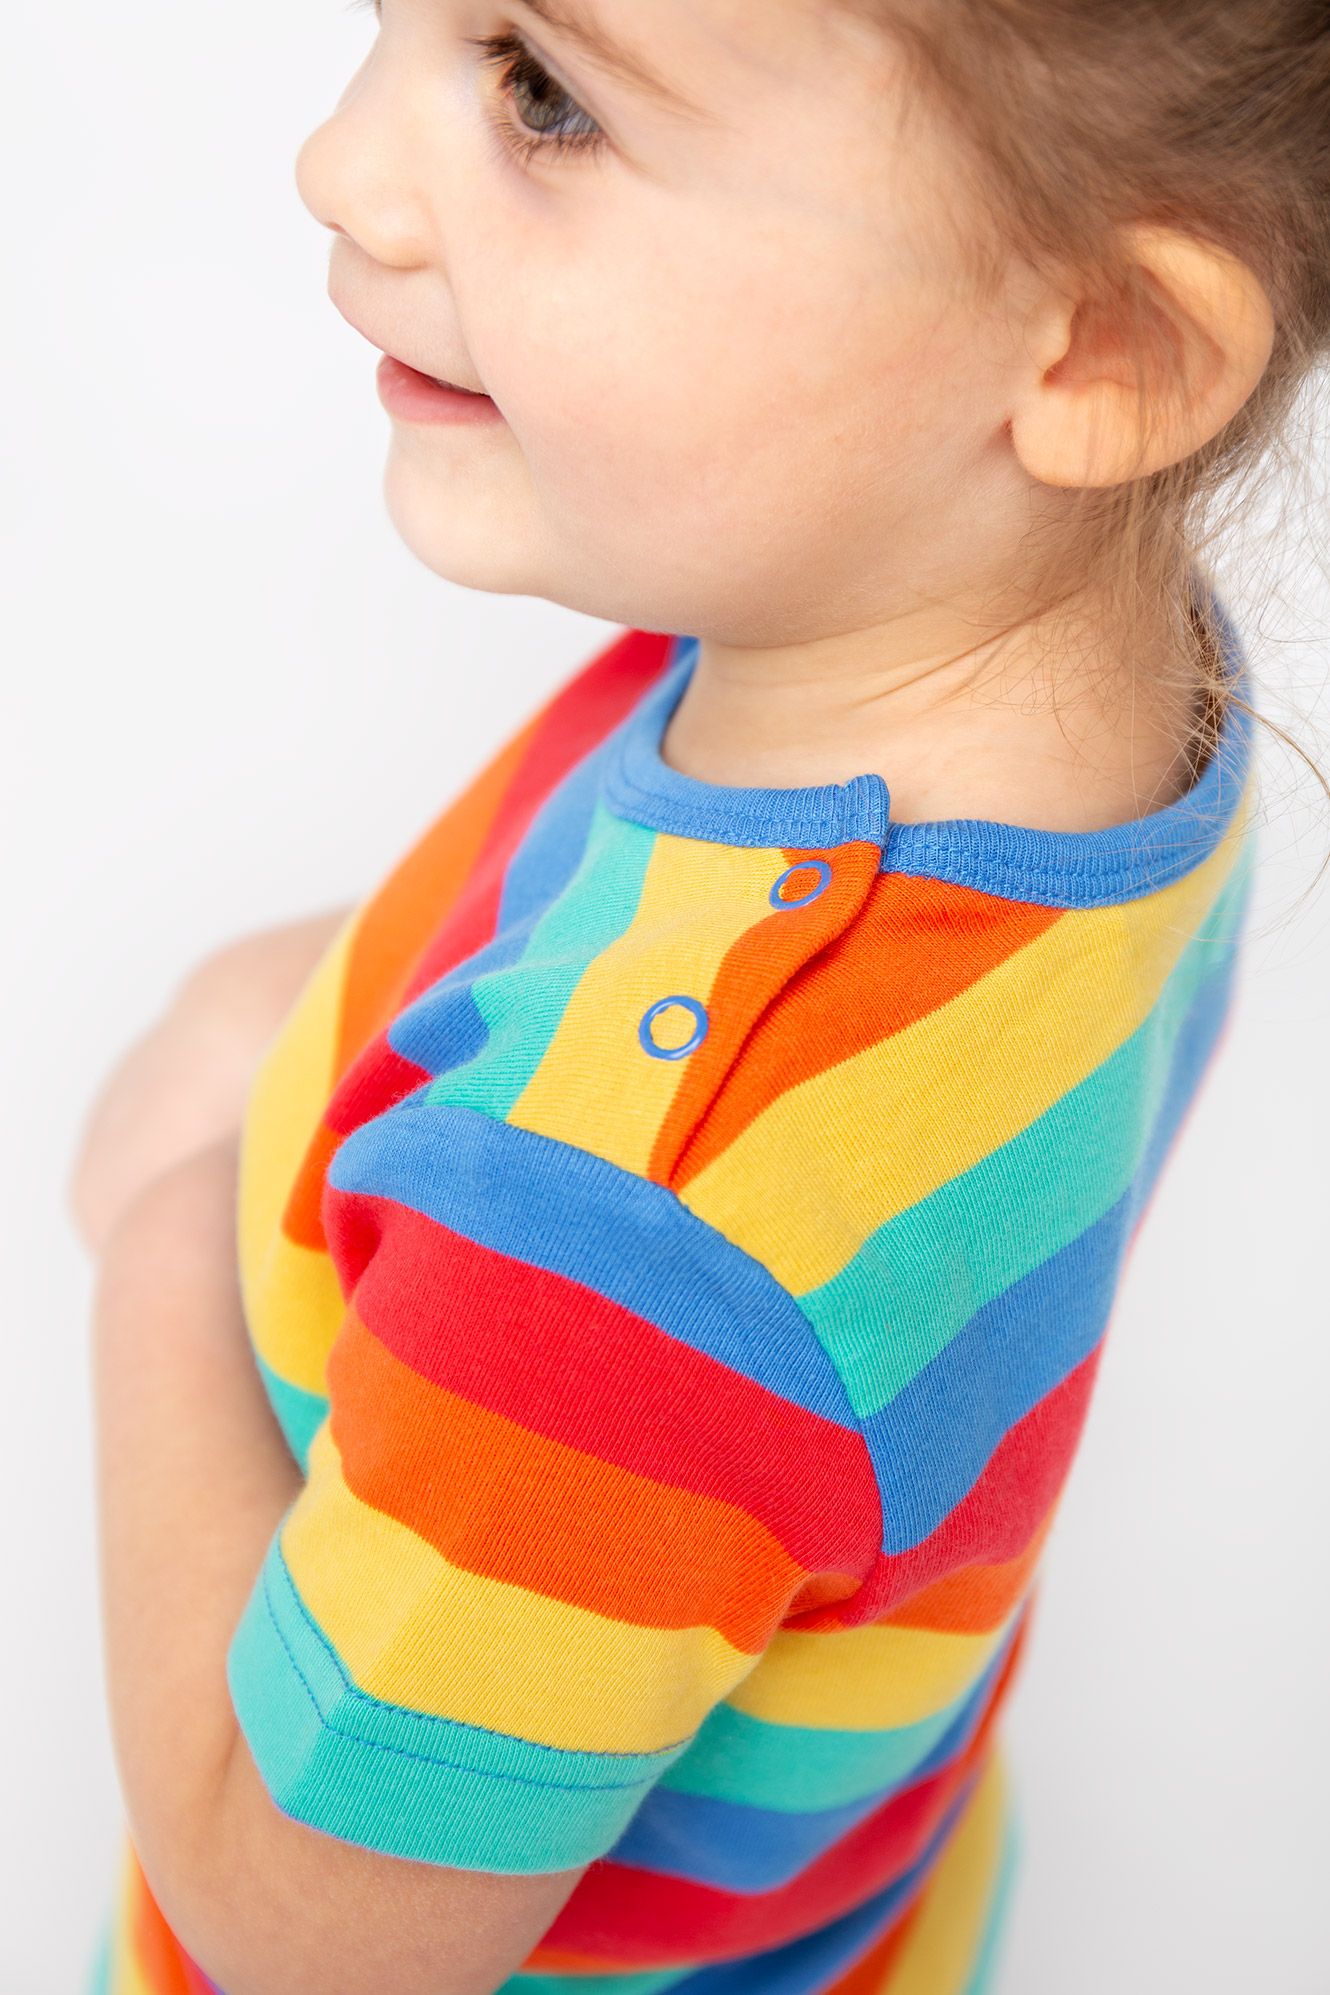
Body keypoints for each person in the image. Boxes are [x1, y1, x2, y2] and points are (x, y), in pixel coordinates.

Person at [74, 2, 1328, 1991]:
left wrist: (169, 1234)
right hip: (843, 1904)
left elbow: (304, 1926)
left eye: (538, 92)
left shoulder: (626, 1240)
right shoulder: (1098, 703)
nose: (338, 164)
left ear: (1107, 349)